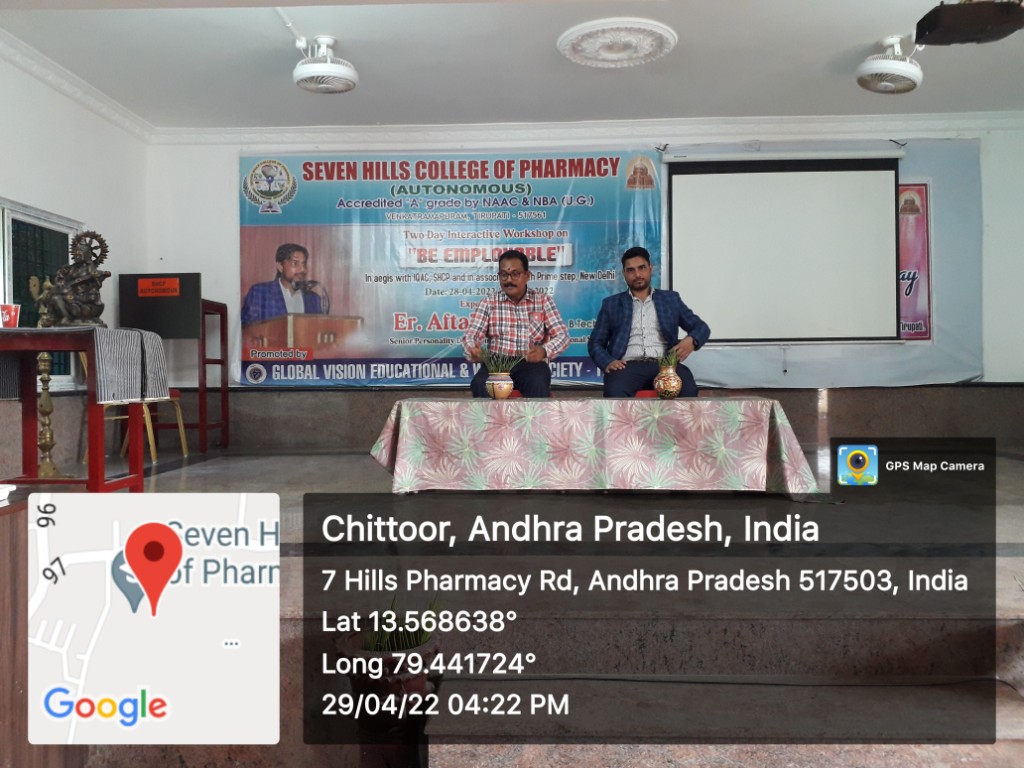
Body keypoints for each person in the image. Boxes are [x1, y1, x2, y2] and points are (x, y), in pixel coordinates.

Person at [588, 246, 710, 398]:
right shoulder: (611, 304)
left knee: (687, 389)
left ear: (650, 268)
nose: (637, 274)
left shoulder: (670, 299)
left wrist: (692, 340)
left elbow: (701, 328)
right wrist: (607, 362)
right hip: (627, 366)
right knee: (615, 392)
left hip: (665, 365)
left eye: (642, 268)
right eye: (631, 270)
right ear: (624, 273)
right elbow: (595, 342)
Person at [462, 250, 570, 398]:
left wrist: (544, 351)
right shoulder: (488, 303)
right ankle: (488, 415)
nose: (509, 280)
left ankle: (534, 415)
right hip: (497, 364)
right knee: (480, 383)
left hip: (530, 364)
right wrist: (473, 349)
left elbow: (563, 336)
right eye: (504, 274)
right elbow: (471, 336)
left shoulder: (543, 301)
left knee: (538, 380)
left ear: (527, 275)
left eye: (515, 274)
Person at [241, 243, 329, 326]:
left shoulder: (314, 299)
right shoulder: (260, 293)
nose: (302, 269)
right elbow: (247, 330)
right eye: (295, 263)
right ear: (280, 266)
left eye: (304, 264)